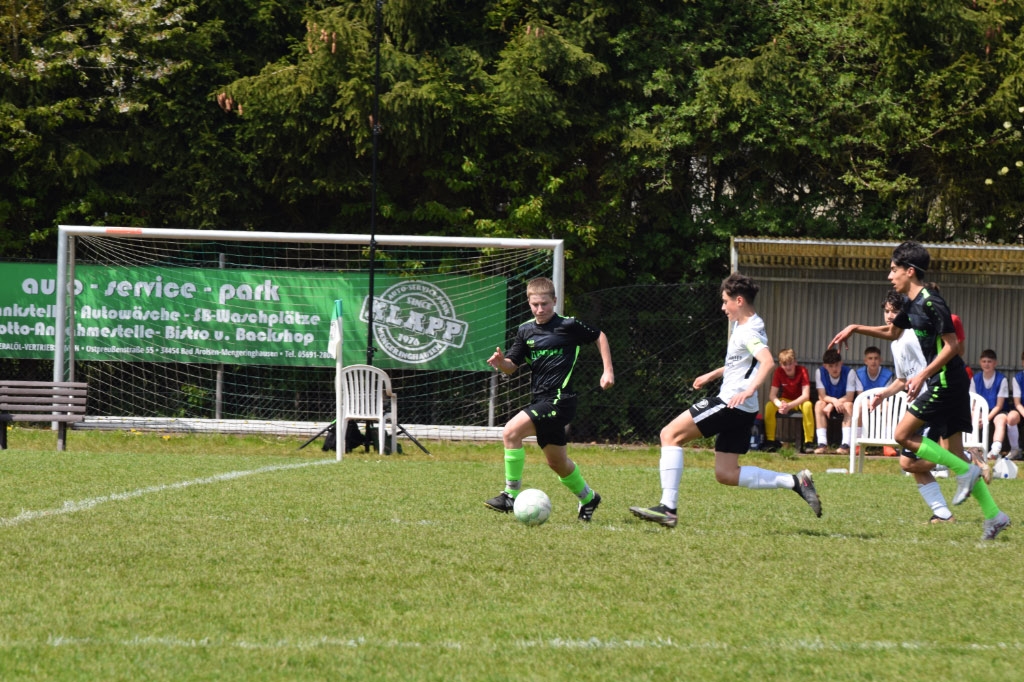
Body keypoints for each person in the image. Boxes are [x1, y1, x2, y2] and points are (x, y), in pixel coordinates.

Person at [829, 241, 1010, 540]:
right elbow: (892, 332)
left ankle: (967, 471)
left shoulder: (931, 302)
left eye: (894, 270)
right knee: (954, 452)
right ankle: (995, 516)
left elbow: (953, 346)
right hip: (946, 382)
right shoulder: (911, 305)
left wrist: (923, 374)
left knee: (902, 435)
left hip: (946, 382)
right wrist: (854, 327)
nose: (890, 276)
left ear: (910, 271)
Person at [628, 273, 822, 528]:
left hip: (730, 404)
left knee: (669, 434)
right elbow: (742, 363)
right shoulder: (751, 324)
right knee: (726, 473)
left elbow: (767, 362)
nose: (722, 307)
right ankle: (796, 481)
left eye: (725, 301)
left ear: (738, 300)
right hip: (744, 410)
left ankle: (668, 509)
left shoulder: (747, 331)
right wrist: (713, 374)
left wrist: (749, 389)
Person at [484, 277, 614, 522]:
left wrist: (607, 371)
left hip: (561, 400)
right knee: (557, 463)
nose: (540, 309)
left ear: (554, 301)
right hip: (541, 400)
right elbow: (511, 366)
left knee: (510, 432)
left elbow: (600, 336)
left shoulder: (568, 325)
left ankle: (510, 494)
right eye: (535, 304)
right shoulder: (525, 330)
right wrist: (501, 363)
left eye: (544, 304)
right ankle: (588, 498)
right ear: (529, 303)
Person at [868, 289, 957, 523]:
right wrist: (883, 394)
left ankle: (962, 458)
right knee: (911, 463)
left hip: (931, 401)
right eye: (887, 311)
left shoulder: (912, 335)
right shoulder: (895, 343)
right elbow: (903, 379)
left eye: (895, 311)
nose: (890, 316)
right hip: (919, 404)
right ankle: (943, 513)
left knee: (910, 460)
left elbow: (931, 365)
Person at [762, 348, 815, 452]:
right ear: (781, 365)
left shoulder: (802, 370)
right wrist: (780, 405)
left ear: (795, 362)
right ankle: (770, 441)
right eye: (785, 364)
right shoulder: (778, 372)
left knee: (808, 405)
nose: (788, 367)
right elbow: (772, 395)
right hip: (785, 400)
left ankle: (809, 442)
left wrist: (789, 406)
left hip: (800, 401)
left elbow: (806, 395)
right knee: (769, 406)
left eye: (790, 363)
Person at [971, 349, 1018, 460]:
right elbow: (973, 402)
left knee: (1000, 420)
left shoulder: (1002, 379)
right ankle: (973, 449)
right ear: (980, 362)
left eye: (989, 361)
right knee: (972, 417)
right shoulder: (975, 379)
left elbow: (999, 405)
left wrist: (986, 419)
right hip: (981, 410)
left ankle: (995, 450)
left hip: (997, 410)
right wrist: (977, 416)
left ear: (995, 363)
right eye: (984, 361)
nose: (986, 364)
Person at [813, 348, 857, 455]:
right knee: (819, 404)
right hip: (828, 403)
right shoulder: (820, 372)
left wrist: (833, 404)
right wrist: (833, 401)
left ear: (841, 363)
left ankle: (846, 445)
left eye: (837, 365)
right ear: (825, 366)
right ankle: (822, 444)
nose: (834, 369)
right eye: (831, 366)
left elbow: (850, 396)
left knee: (849, 405)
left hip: (843, 403)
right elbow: (822, 396)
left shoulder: (850, 372)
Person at [1008, 350, 1024, 460]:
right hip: (1021, 409)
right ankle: (1016, 450)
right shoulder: (1017, 378)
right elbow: (1017, 403)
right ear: (1022, 362)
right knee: (1011, 417)